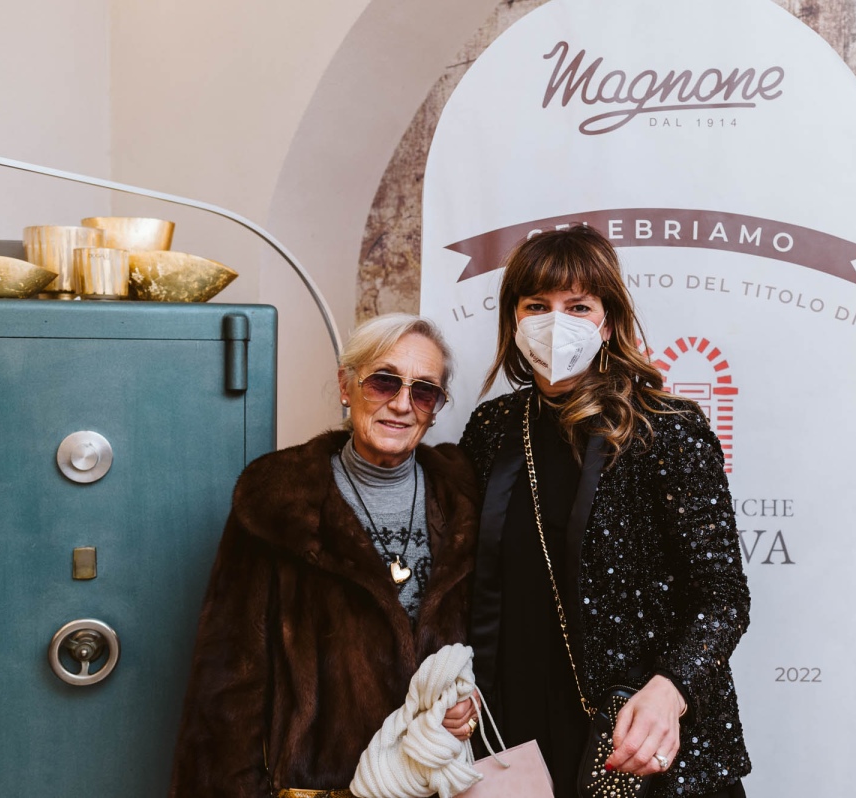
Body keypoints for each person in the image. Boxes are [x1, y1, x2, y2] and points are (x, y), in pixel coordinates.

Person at [460, 225, 751, 798]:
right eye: (536, 306)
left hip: (640, 738)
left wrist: (671, 688)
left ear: (608, 322)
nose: (555, 322)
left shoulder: (666, 430)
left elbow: (723, 596)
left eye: (578, 307)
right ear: (514, 320)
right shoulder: (491, 430)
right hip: (516, 733)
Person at [170, 313, 480, 798]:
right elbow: (229, 679)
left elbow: (494, 641)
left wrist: (468, 701)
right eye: (383, 381)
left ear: (436, 409)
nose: (402, 404)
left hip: (436, 782)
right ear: (346, 385)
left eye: (424, 392)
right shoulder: (278, 503)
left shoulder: (464, 499)